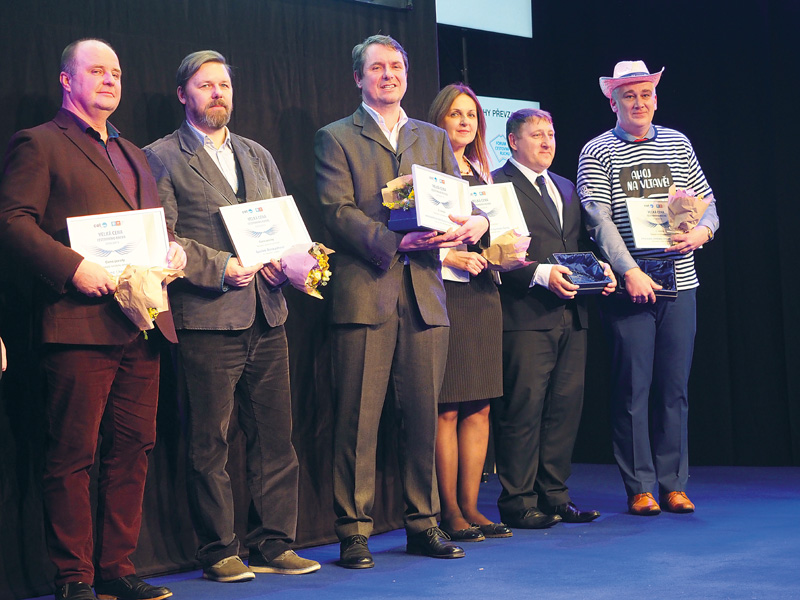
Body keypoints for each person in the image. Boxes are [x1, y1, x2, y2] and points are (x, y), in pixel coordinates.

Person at [0, 39, 185, 600]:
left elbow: (147, 224)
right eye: (97, 71)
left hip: (141, 321)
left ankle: (117, 568)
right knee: (72, 455)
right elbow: (12, 221)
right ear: (66, 80)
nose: (109, 80)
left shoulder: (132, 151)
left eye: (116, 73)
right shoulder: (39, 142)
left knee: (133, 448)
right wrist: (72, 267)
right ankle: (74, 577)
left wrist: (171, 248)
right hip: (77, 321)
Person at [314, 34, 489, 568]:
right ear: (358, 78)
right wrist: (396, 242)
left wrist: (474, 224)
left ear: (406, 76)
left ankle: (423, 523)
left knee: (421, 417)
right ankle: (354, 531)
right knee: (358, 420)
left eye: (396, 66)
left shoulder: (432, 138)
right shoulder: (336, 136)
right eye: (377, 68)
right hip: (366, 292)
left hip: (426, 296)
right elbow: (336, 211)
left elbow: (459, 201)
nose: (388, 74)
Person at [144, 51, 319, 581]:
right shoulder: (160, 157)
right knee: (210, 441)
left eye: (223, 84)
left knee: (275, 437)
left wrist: (288, 263)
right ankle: (219, 549)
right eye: (205, 85)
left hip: (269, 313)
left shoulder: (257, 154)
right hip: (207, 317)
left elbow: (285, 224)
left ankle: (274, 542)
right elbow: (162, 237)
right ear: (183, 94)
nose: (217, 93)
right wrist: (220, 267)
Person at [576, 61, 719, 516]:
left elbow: (707, 203)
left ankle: (674, 484)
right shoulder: (597, 150)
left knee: (674, 389)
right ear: (613, 102)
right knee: (632, 390)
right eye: (629, 96)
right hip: (630, 285)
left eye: (645, 94)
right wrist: (630, 270)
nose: (638, 103)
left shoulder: (677, 142)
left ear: (655, 98)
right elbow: (598, 221)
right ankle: (639, 486)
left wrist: (703, 232)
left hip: (682, 282)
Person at [491, 108, 615, 529]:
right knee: (523, 410)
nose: (547, 142)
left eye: (551, 134)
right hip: (525, 313)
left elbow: (575, 244)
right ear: (513, 141)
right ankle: (518, 501)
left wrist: (599, 270)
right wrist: (539, 274)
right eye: (537, 135)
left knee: (564, 409)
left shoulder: (565, 186)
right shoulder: (495, 184)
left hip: (572, 315)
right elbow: (495, 251)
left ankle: (556, 496)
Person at [427, 84, 510, 542]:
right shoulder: (424, 171)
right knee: (448, 406)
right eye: (455, 114)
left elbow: (499, 235)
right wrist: (448, 257)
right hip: (443, 293)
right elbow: (409, 236)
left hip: (482, 294)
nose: (464, 122)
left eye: (472, 115)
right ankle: (449, 510)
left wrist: (508, 253)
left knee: (480, 404)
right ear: (438, 120)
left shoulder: (484, 174)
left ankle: (473, 505)